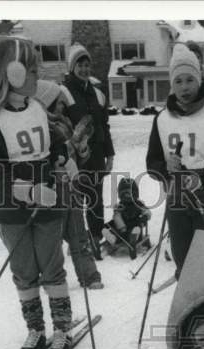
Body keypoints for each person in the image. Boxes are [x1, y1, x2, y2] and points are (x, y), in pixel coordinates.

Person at [0, 37, 74, 349]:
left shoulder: (38, 108)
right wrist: (23, 190)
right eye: (31, 70)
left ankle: (61, 328)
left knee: (52, 267)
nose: (36, 75)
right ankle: (36, 329)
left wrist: (62, 158)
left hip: (48, 207)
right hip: (13, 213)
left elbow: (54, 143)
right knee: (25, 271)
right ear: (12, 73)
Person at [146, 44, 204, 278]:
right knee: (182, 254)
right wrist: (165, 169)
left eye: (190, 80)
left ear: (199, 81)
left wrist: (203, 179)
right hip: (176, 196)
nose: (184, 87)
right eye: (179, 81)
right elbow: (152, 162)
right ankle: (188, 301)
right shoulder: (162, 119)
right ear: (172, 85)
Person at [35, 79, 103, 290]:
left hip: (71, 187)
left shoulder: (65, 123)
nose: (63, 107)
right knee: (52, 239)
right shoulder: (41, 127)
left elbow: (75, 157)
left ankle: (89, 275)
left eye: (63, 103)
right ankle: (52, 278)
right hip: (53, 189)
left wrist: (81, 150)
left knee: (78, 233)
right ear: (46, 103)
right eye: (58, 103)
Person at [59, 43, 115, 260]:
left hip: (97, 156)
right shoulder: (63, 92)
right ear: (72, 67)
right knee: (75, 201)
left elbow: (105, 127)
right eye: (80, 65)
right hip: (74, 159)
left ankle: (95, 238)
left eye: (87, 65)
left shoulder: (98, 94)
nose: (84, 69)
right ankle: (77, 242)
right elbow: (58, 126)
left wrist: (110, 155)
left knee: (95, 200)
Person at [103, 176, 152, 258]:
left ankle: (133, 238)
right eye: (125, 194)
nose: (127, 196)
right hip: (122, 229)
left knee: (136, 229)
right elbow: (116, 217)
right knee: (115, 228)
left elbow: (147, 211)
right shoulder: (120, 206)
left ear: (135, 193)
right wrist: (112, 225)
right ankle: (113, 238)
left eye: (129, 193)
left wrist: (145, 216)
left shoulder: (138, 204)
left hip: (135, 225)